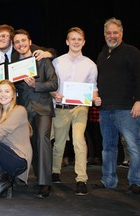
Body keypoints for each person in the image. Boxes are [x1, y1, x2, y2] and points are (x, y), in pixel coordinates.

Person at [93, 17, 140, 195]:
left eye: (115, 32)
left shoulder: (132, 52)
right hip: (105, 110)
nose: (111, 36)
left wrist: (139, 101)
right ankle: (108, 180)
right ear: (104, 35)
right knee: (108, 147)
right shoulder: (102, 54)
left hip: (126, 109)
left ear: (121, 33)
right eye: (108, 33)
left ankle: (136, 182)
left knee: (134, 146)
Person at [51, 27, 98, 196]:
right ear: (67, 41)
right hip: (61, 107)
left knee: (79, 141)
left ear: (84, 42)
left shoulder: (90, 65)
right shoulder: (57, 62)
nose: (76, 42)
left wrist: (96, 98)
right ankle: (55, 171)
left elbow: (93, 87)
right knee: (59, 143)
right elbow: (51, 84)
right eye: (73, 39)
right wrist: (53, 94)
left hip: (80, 108)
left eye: (79, 39)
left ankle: (81, 179)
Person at [12, 29, 58, 198]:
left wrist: (35, 86)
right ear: (14, 45)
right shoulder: (14, 65)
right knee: (31, 143)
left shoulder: (43, 60)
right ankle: (39, 176)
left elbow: (54, 83)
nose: (20, 44)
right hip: (23, 110)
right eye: (17, 42)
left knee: (43, 140)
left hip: (43, 108)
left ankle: (45, 183)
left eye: (23, 40)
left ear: (30, 42)